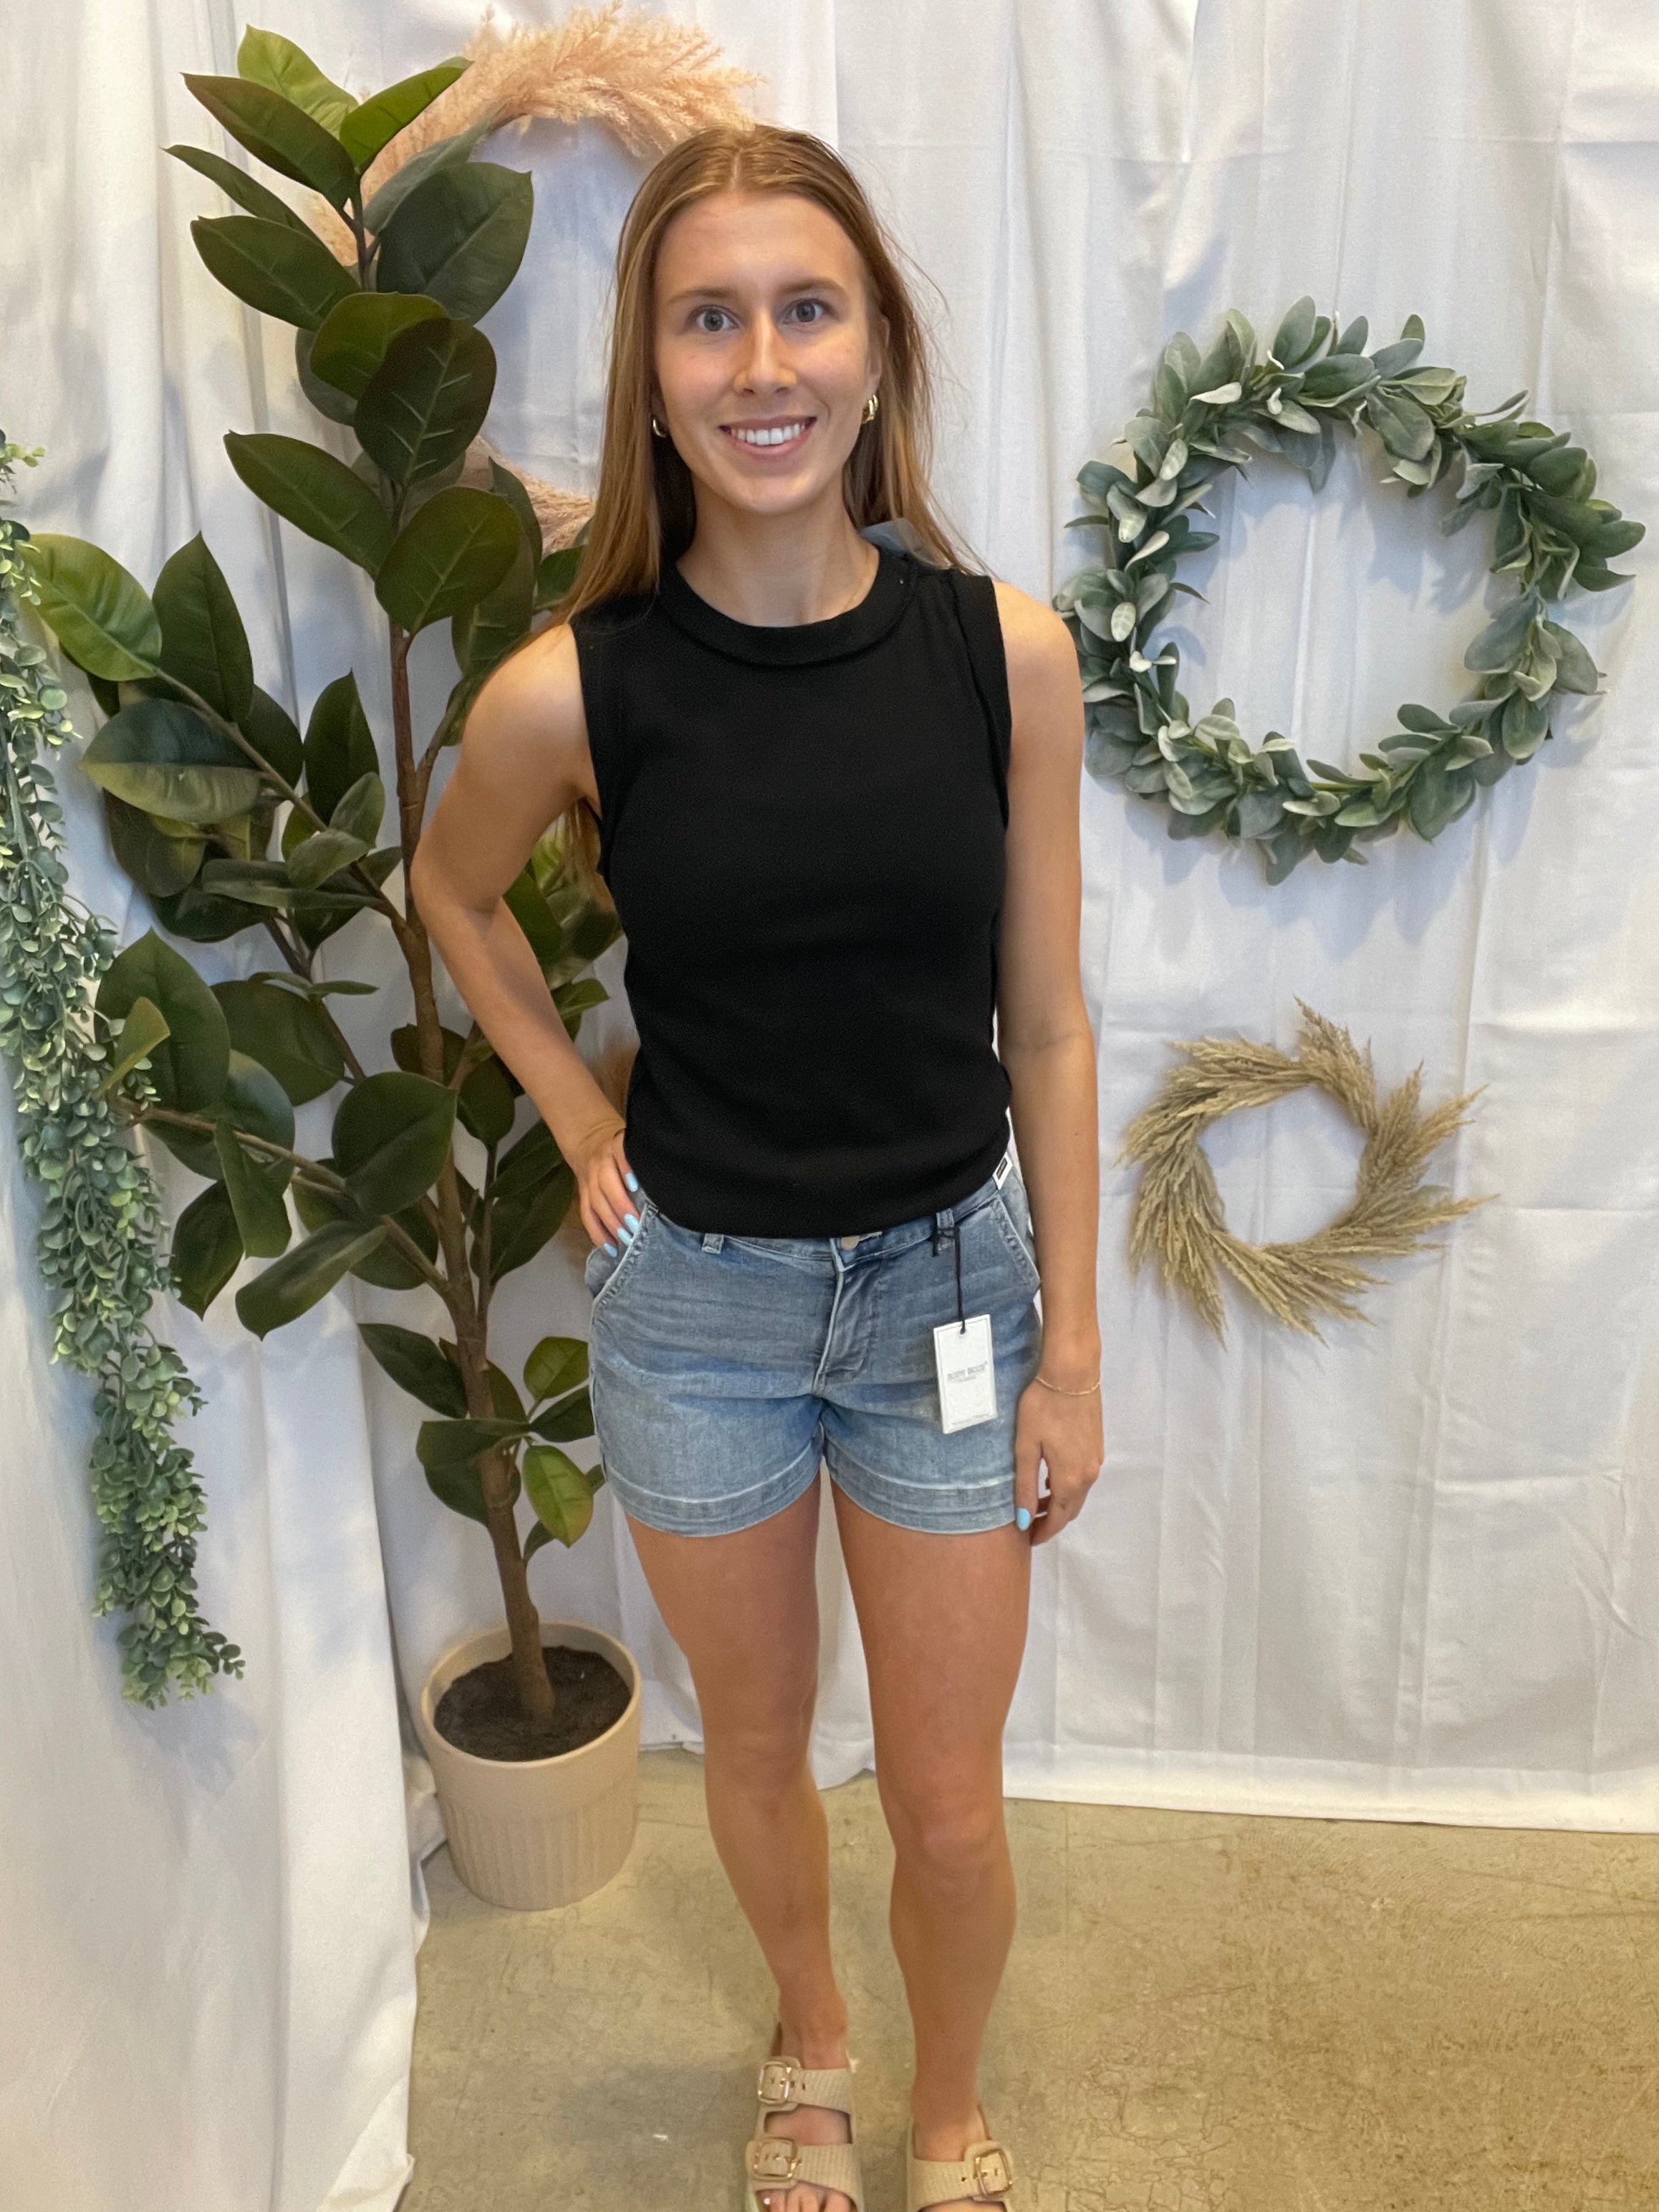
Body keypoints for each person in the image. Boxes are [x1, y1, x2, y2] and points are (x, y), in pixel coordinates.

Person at [411, 121, 1102, 2212]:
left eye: (807, 308)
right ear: (650, 375)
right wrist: (581, 1115)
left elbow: (1051, 1021)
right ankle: (811, 2037)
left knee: (952, 1804)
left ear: (877, 349)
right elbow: (453, 895)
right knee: (763, 1746)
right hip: (697, 1309)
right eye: (707, 319)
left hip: (946, 1306)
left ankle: (948, 2105)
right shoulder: (574, 692)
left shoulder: (1005, 654)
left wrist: (1073, 1351)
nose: (763, 363)